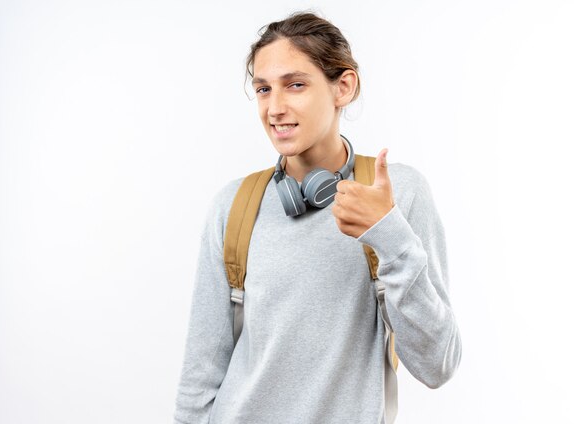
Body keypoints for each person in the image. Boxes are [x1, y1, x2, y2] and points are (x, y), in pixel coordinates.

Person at [173, 11, 461, 424]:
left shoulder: (398, 195)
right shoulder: (233, 206)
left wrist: (391, 236)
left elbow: (438, 365)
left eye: (295, 85)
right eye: (263, 89)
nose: (274, 108)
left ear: (343, 87)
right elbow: (199, 378)